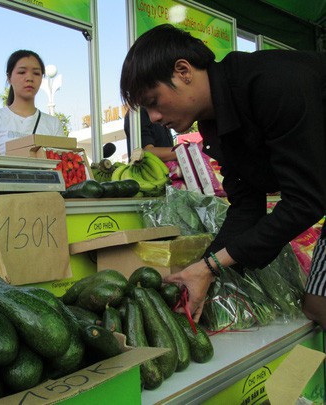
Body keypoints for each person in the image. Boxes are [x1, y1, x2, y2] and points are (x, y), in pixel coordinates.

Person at [120, 24, 326, 327]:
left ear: (183, 71)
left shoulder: (273, 85)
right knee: (318, 304)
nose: (154, 118)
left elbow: (306, 201)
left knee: (319, 304)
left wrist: (213, 264)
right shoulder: (214, 127)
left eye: (153, 102)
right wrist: (204, 266)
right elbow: (246, 204)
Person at [0, 49, 64, 155]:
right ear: (9, 77)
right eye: (22, 72)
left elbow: (61, 164)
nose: (29, 78)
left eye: (36, 73)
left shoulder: (54, 124)